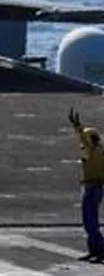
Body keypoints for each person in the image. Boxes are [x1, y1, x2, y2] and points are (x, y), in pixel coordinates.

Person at [69, 108, 104, 262]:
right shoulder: (98, 151)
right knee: (90, 223)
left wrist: (78, 127)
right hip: (93, 188)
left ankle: (100, 250)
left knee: (91, 223)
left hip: (92, 188)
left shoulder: (93, 151)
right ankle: (93, 250)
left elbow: (84, 139)